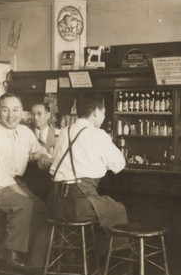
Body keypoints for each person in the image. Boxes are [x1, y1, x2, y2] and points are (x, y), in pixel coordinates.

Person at [48, 92, 128, 249]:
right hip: (79, 203)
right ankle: (113, 258)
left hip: (55, 202)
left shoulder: (64, 131)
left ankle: (77, 255)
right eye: (103, 113)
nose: (103, 117)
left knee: (106, 208)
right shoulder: (98, 134)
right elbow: (118, 165)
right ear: (96, 112)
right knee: (118, 208)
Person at [0, 93, 52, 269]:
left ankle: (34, 263)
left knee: (43, 211)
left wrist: (41, 155)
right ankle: (10, 250)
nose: (11, 115)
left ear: (22, 111)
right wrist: (21, 194)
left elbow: (37, 149)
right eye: (5, 110)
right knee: (24, 204)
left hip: (15, 181)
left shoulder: (25, 132)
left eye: (15, 110)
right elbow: (0, 175)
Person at [21, 101, 60, 201]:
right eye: (33, 114)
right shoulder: (25, 133)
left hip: (51, 180)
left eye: (39, 113)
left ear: (48, 115)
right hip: (29, 179)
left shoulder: (59, 134)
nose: (35, 117)